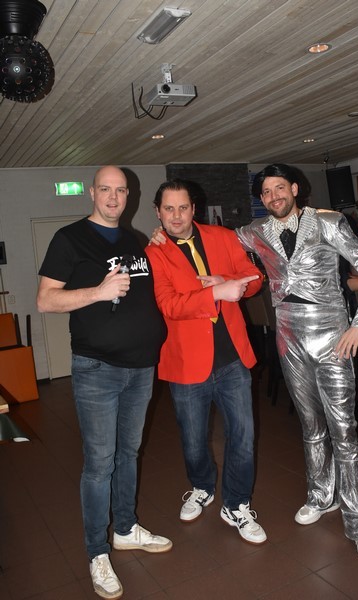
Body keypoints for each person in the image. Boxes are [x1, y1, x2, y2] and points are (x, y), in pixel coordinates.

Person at [236, 163, 358, 561]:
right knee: (310, 425)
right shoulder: (257, 230)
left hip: (332, 335)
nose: (273, 196)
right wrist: (166, 235)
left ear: (294, 188)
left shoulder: (328, 222)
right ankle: (321, 495)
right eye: (266, 192)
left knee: (343, 430)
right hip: (288, 335)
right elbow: (217, 240)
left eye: (279, 188)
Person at [37, 166, 172, 600]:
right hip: (97, 369)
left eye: (121, 190)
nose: (113, 197)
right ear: (92, 193)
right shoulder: (69, 238)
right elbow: (46, 299)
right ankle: (97, 551)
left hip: (141, 368)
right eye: (105, 190)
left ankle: (126, 529)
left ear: (129, 195)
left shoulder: (134, 240)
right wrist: (97, 291)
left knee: (129, 453)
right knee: (100, 463)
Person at [145, 178, 267, 545]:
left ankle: (237, 503)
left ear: (193, 209)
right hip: (186, 363)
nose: (176, 216)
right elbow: (168, 305)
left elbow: (255, 278)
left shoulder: (222, 237)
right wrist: (215, 292)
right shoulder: (154, 252)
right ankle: (201, 487)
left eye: (182, 208)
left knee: (243, 436)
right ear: (157, 212)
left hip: (231, 358)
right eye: (169, 209)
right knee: (194, 440)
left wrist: (225, 280)